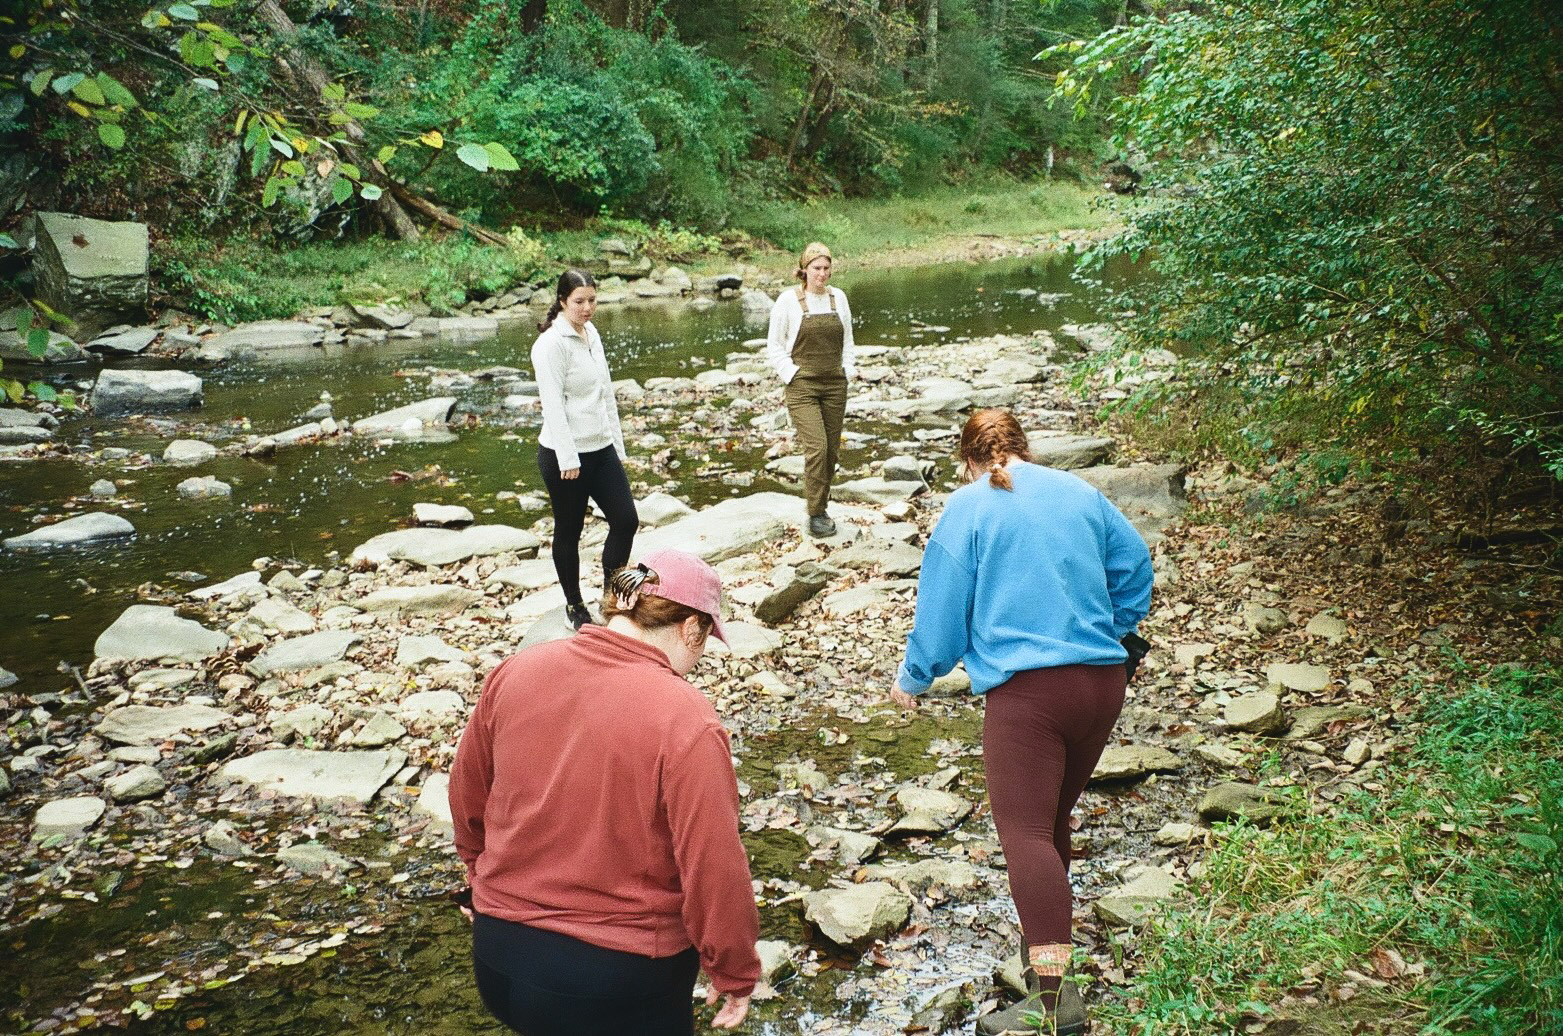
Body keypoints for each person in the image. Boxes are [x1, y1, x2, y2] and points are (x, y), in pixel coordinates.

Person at [887, 409, 1153, 1036]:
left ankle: (1055, 1007)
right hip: (1102, 684)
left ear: (969, 460)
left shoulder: (969, 507)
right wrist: (1113, 628)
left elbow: (943, 606)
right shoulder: (1080, 492)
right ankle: (1045, 971)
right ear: (1023, 449)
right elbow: (1136, 568)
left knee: (1024, 835)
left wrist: (916, 675)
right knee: (1051, 820)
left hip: (1031, 696)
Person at [449, 548, 760, 1036]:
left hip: (499, 960)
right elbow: (714, 864)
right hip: (615, 981)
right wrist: (734, 970)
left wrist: (479, 878)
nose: (699, 660)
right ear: (691, 628)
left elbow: (468, 797)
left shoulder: (516, 670)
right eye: (705, 641)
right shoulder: (685, 718)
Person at [531, 268, 638, 631]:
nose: (587, 308)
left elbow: (605, 392)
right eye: (579, 302)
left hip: (600, 447)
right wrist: (568, 458)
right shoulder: (550, 344)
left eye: (592, 300)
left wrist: (617, 446)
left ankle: (611, 595)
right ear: (562, 301)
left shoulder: (591, 333)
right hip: (565, 456)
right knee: (569, 530)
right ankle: (575, 605)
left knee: (626, 520)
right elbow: (553, 406)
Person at [765, 241, 857, 538]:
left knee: (831, 451)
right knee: (816, 447)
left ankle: (822, 506)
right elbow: (774, 345)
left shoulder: (838, 298)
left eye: (827, 268)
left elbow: (848, 341)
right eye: (816, 268)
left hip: (834, 383)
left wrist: (849, 371)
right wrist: (791, 373)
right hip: (802, 385)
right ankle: (815, 514)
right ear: (803, 270)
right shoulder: (788, 301)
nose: (822, 274)